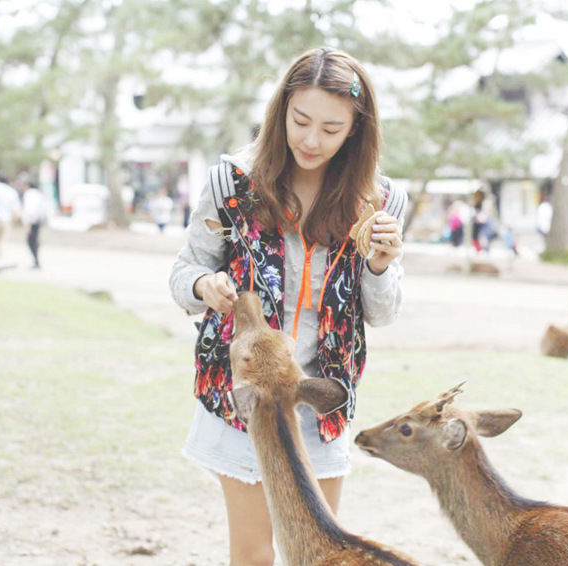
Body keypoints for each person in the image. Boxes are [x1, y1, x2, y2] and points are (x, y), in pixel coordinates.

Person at [169, 47, 406, 566]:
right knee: (253, 555)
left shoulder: (379, 200)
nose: (311, 140)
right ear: (281, 112)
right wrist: (205, 286)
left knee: (318, 554)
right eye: (300, 121)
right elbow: (183, 272)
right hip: (246, 401)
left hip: (319, 402)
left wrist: (381, 266)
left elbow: (382, 314)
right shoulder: (231, 182)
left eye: (331, 128)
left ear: (356, 129)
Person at [20, 176, 48, 269]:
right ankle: (36, 261)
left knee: (31, 241)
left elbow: (30, 211)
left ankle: (36, 262)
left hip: (32, 221)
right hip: (38, 220)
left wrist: (27, 225)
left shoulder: (30, 194)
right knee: (34, 241)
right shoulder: (37, 194)